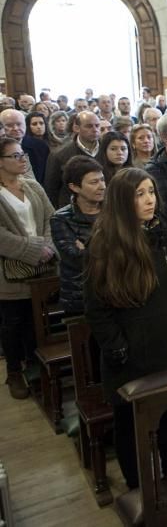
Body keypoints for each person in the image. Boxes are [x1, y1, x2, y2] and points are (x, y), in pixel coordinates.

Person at [85, 167, 167, 490]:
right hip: (131, 354)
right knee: (131, 426)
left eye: (151, 192)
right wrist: (117, 346)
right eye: (140, 195)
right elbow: (96, 309)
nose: (150, 200)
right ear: (123, 201)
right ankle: (139, 490)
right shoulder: (106, 243)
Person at [0, 138, 57, 399]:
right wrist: (35, 250)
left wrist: (48, 247)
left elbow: (51, 218)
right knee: (13, 324)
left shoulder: (32, 186)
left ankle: (38, 368)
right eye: (15, 155)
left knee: (38, 323)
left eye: (23, 153)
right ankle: (14, 372)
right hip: (10, 275)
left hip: (43, 270)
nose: (23, 158)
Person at [51, 156, 105, 315]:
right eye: (94, 182)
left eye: (102, 180)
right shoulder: (61, 218)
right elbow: (77, 259)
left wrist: (87, 247)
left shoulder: (113, 210)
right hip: (80, 296)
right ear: (74, 187)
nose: (102, 186)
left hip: (117, 289)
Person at [45, 111, 101, 207]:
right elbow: (51, 190)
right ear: (76, 128)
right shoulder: (59, 155)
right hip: (72, 210)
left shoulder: (108, 149)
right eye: (89, 126)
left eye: (97, 126)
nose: (95, 129)